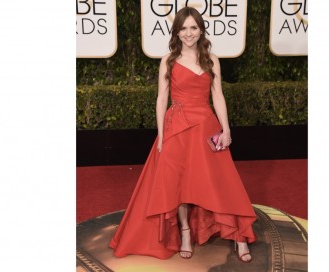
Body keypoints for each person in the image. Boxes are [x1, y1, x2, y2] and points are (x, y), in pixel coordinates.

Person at [109, 7, 257, 263]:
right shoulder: (168, 60)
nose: (189, 33)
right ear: (177, 31)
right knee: (179, 184)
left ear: (201, 30)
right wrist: (161, 137)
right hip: (176, 128)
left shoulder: (212, 59)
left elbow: (218, 95)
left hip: (206, 128)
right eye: (184, 28)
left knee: (221, 180)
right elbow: (161, 98)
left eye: (194, 28)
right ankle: (185, 233)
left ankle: (238, 235)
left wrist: (226, 128)